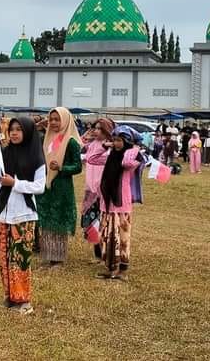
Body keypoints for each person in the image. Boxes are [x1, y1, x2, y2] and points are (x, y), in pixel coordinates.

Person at [0, 116, 46, 315]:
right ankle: (9, 296)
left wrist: (16, 184)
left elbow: (39, 187)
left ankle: (24, 300)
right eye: (12, 129)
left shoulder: (36, 157)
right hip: (3, 213)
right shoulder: (3, 154)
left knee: (20, 259)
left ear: (27, 132)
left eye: (19, 129)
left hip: (24, 215)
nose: (14, 133)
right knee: (4, 258)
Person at [97, 126, 145, 281]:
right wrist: (105, 146)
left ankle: (122, 269)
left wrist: (134, 147)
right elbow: (92, 158)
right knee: (108, 235)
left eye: (119, 141)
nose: (116, 144)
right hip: (108, 201)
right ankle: (110, 267)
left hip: (121, 203)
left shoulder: (133, 158)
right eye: (114, 140)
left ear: (127, 142)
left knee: (122, 236)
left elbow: (126, 162)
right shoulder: (110, 155)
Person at [37, 107, 82, 267]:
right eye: (51, 119)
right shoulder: (47, 138)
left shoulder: (71, 142)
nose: (54, 122)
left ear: (65, 120)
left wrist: (62, 168)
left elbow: (77, 167)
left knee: (58, 221)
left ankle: (58, 258)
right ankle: (48, 254)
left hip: (62, 186)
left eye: (57, 119)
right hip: (46, 185)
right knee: (47, 219)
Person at [82, 118, 114, 262]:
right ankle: (97, 253)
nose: (96, 131)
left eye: (100, 128)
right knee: (91, 221)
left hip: (103, 190)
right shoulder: (91, 144)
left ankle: (106, 252)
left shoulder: (111, 147)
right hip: (90, 189)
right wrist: (86, 135)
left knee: (103, 222)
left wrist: (105, 146)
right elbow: (79, 145)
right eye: (95, 128)